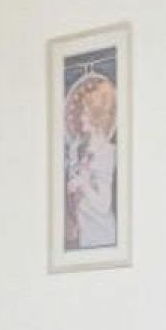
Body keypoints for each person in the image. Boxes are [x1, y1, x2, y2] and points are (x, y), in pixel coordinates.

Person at [64, 71, 118, 250]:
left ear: (97, 116)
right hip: (85, 237)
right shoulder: (82, 150)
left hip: (101, 236)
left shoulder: (107, 152)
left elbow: (103, 205)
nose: (81, 117)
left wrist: (83, 185)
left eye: (85, 112)